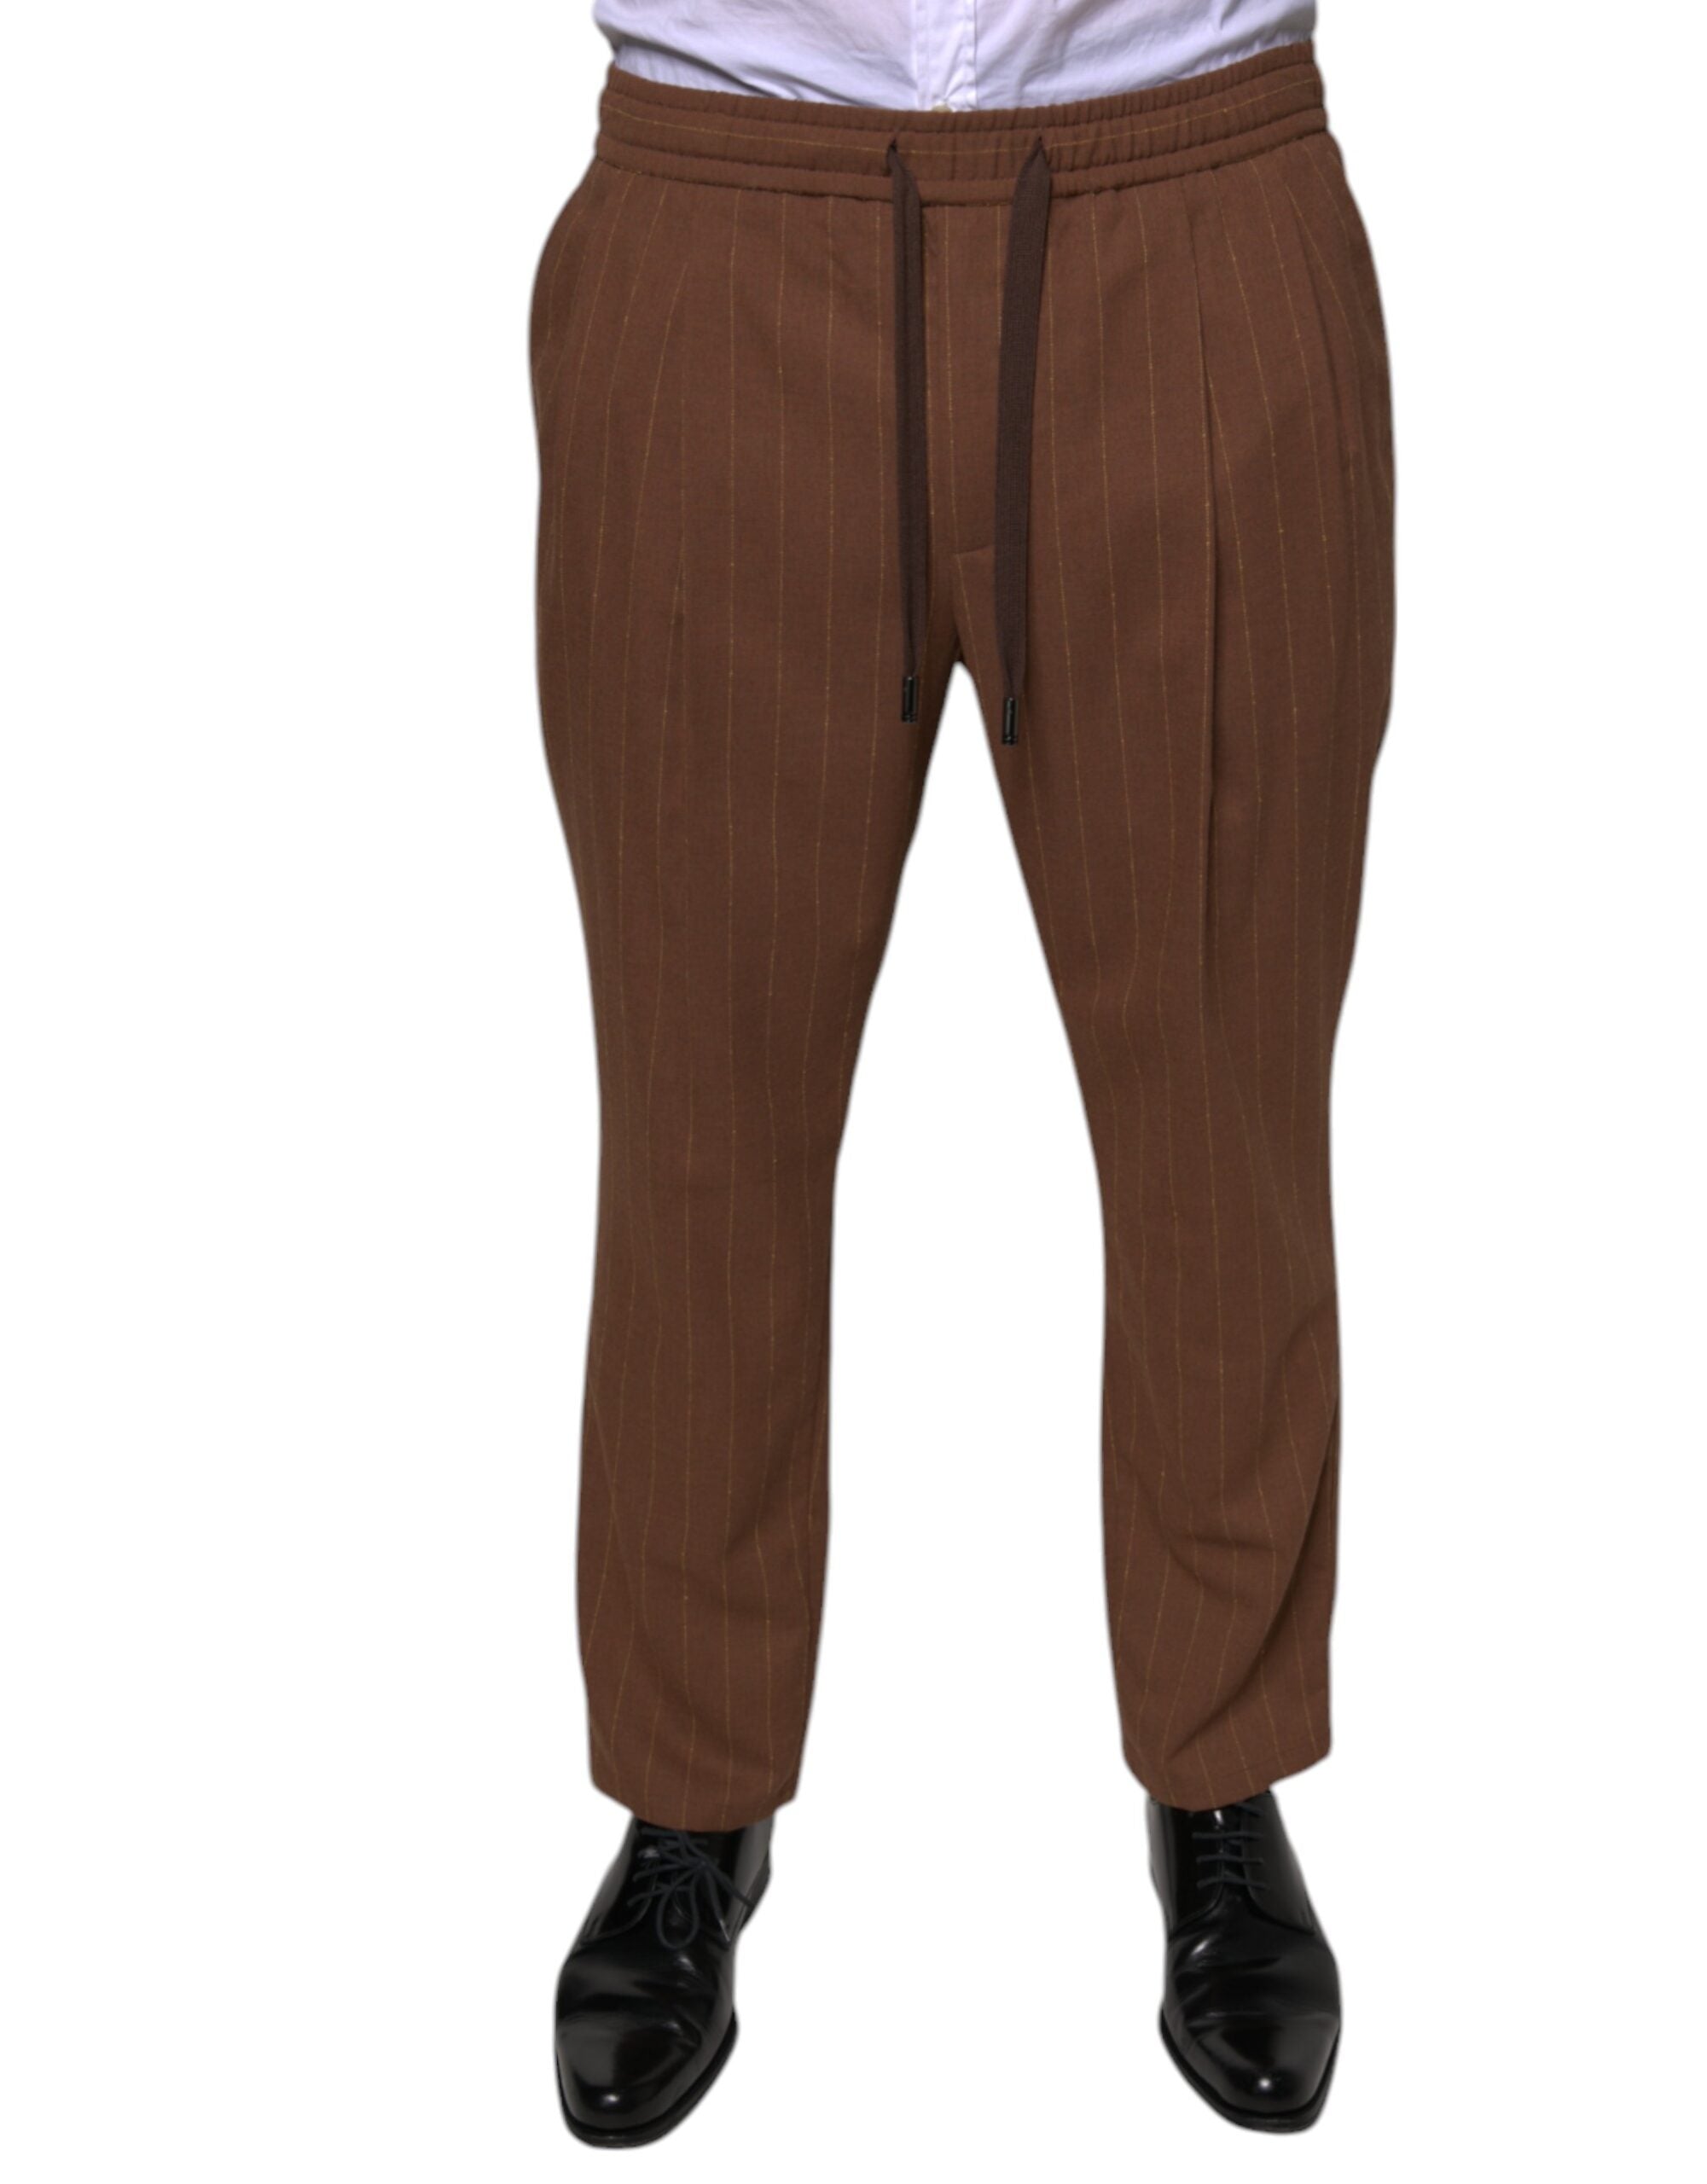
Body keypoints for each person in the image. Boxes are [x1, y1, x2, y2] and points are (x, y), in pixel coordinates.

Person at [531, 0, 1391, 2142]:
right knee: (698, 1103)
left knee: (1220, 1109)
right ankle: (688, 1790)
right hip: (727, 204)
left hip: (1185, 189)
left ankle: (1218, 1773)